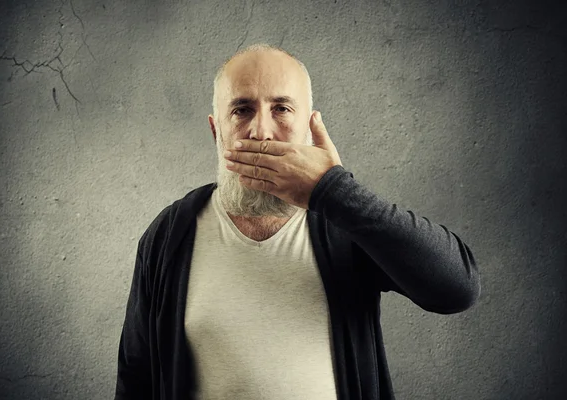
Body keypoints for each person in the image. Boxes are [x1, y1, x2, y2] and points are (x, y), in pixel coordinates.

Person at [114, 43, 481, 400]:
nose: (262, 131)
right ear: (216, 131)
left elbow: (456, 289)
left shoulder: (344, 223)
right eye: (241, 110)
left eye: (282, 109)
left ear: (309, 126)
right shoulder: (170, 234)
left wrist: (335, 191)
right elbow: (136, 377)